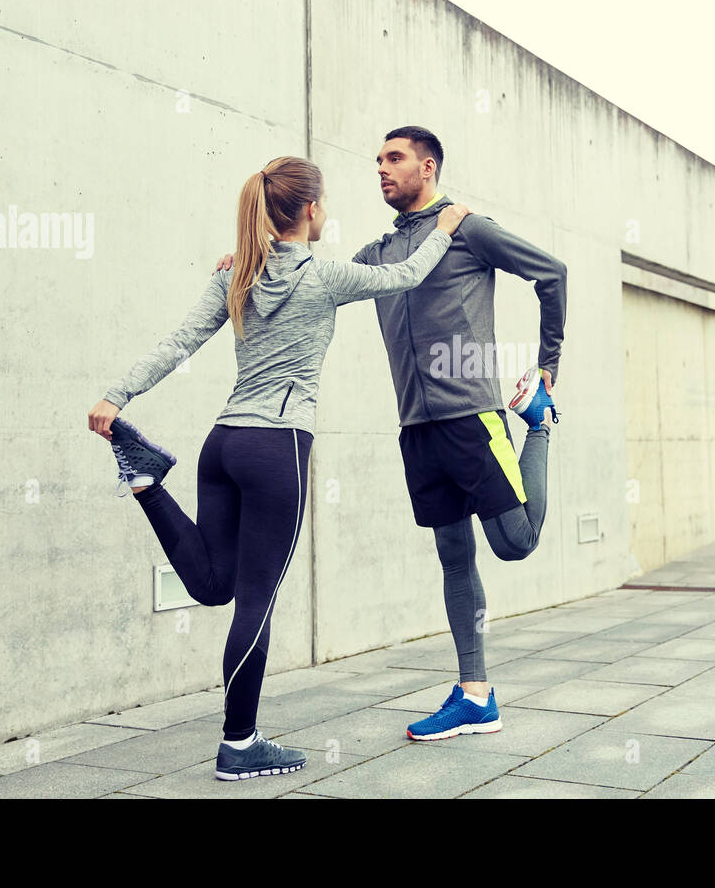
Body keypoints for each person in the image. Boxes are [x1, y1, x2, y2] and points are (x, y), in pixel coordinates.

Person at [88, 156, 470, 780]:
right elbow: (405, 276)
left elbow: (177, 343)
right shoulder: (323, 275)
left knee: (214, 585)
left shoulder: (238, 272)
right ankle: (240, 742)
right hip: (277, 449)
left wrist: (117, 397)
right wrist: (447, 226)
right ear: (312, 211)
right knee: (255, 604)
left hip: (225, 444)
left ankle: (146, 480)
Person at [215, 125, 567, 742]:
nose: (381, 168)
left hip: (472, 417)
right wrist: (254, 262)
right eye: (378, 159)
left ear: (427, 166)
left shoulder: (466, 229)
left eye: (394, 158)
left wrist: (547, 367)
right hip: (415, 426)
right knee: (454, 558)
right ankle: (475, 695)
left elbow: (552, 273)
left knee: (515, 542)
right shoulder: (378, 254)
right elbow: (311, 281)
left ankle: (538, 423)